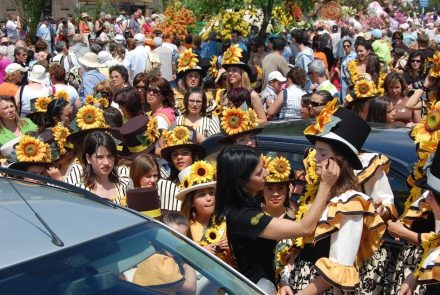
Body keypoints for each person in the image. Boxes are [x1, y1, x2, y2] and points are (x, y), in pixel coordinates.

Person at [282, 107, 385, 294]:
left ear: (340, 160)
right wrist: (285, 281)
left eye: (322, 153)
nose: (314, 159)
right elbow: (300, 248)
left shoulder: (351, 204)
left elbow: (339, 268)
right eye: (315, 152)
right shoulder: (317, 194)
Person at [214, 144, 337, 294]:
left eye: (263, 167)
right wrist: (325, 185)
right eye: (259, 173)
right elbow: (304, 228)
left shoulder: (246, 205)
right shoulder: (245, 217)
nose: (266, 173)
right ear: (242, 182)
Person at [177, 160, 234, 265]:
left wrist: (231, 248)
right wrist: (200, 254)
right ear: (192, 202)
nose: (209, 198)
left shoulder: (228, 220)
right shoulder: (184, 227)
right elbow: (180, 260)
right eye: (201, 195)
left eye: (211, 193)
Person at [76, 131, 129, 205]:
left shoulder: (124, 186)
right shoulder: (80, 191)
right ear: (88, 158)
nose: (106, 162)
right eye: (100, 157)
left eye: (110, 156)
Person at [221, 45, 266, 123]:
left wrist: (243, 122)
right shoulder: (224, 94)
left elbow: (263, 120)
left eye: (235, 70)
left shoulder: (252, 95)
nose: (231, 73)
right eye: (229, 70)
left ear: (242, 73)